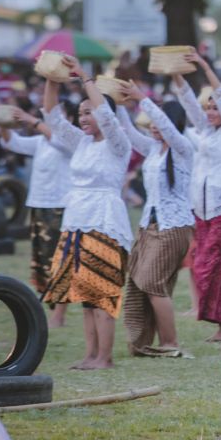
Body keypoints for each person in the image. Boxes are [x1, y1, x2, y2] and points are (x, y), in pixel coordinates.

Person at [40, 57, 133, 370]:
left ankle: (105, 357)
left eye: (87, 111)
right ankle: (91, 354)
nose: (83, 118)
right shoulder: (80, 143)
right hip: (76, 221)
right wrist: (52, 77)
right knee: (84, 295)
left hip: (104, 221)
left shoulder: (118, 144)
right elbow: (52, 117)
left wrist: (85, 78)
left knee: (102, 294)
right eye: (80, 113)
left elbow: (107, 117)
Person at [114, 80, 195, 357]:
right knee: (141, 281)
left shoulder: (183, 148)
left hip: (174, 226)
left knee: (152, 281)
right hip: (150, 225)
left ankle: (171, 343)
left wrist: (143, 99)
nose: (153, 125)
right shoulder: (152, 149)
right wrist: (120, 105)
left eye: (158, 122)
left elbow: (169, 130)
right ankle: (152, 339)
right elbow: (130, 133)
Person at [173, 51, 221, 343]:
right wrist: (175, 73)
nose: (211, 112)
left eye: (216, 107)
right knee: (203, 266)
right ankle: (220, 321)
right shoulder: (205, 131)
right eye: (209, 108)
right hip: (201, 207)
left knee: (219, 267)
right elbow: (188, 102)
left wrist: (204, 67)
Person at [0, 83, 74, 329]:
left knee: (60, 261)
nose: (49, 116)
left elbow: (59, 140)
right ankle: (48, 306)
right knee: (42, 260)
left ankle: (59, 316)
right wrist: (3, 123)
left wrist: (33, 120)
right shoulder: (42, 141)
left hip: (61, 207)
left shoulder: (70, 141)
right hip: (39, 205)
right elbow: (13, 143)